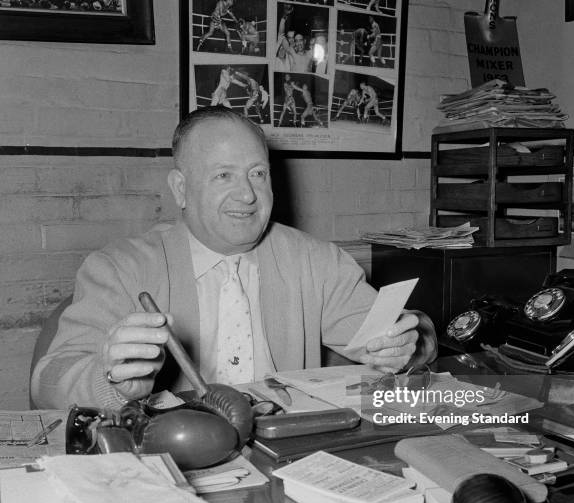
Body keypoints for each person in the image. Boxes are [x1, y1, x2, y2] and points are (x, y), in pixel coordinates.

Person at [31, 107, 436, 410]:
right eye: (224, 175)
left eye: (257, 174)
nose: (247, 194)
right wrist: (112, 381)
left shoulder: (316, 260)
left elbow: (410, 334)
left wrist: (405, 346)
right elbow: (46, 384)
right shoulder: (119, 269)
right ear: (181, 189)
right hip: (172, 460)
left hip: (286, 459)